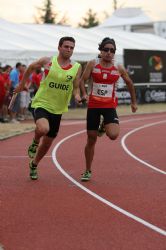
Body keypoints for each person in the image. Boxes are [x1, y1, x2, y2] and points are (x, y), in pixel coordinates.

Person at [14, 36, 82, 180]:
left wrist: (77, 96)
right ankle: (35, 140)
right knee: (43, 129)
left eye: (71, 47)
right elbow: (31, 67)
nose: (69, 49)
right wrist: (22, 84)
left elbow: (76, 88)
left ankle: (34, 164)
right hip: (41, 102)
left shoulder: (76, 67)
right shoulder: (47, 61)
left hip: (58, 109)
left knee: (48, 143)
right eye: (66, 46)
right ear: (59, 47)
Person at [80, 37, 137, 181]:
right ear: (100, 50)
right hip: (93, 106)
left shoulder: (118, 67)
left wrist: (133, 102)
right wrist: (84, 94)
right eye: (106, 49)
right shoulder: (93, 64)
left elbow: (129, 83)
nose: (109, 53)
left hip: (109, 106)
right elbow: (82, 80)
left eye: (112, 50)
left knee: (113, 135)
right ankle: (87, 170)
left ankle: (104, 126)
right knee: (91, 139)